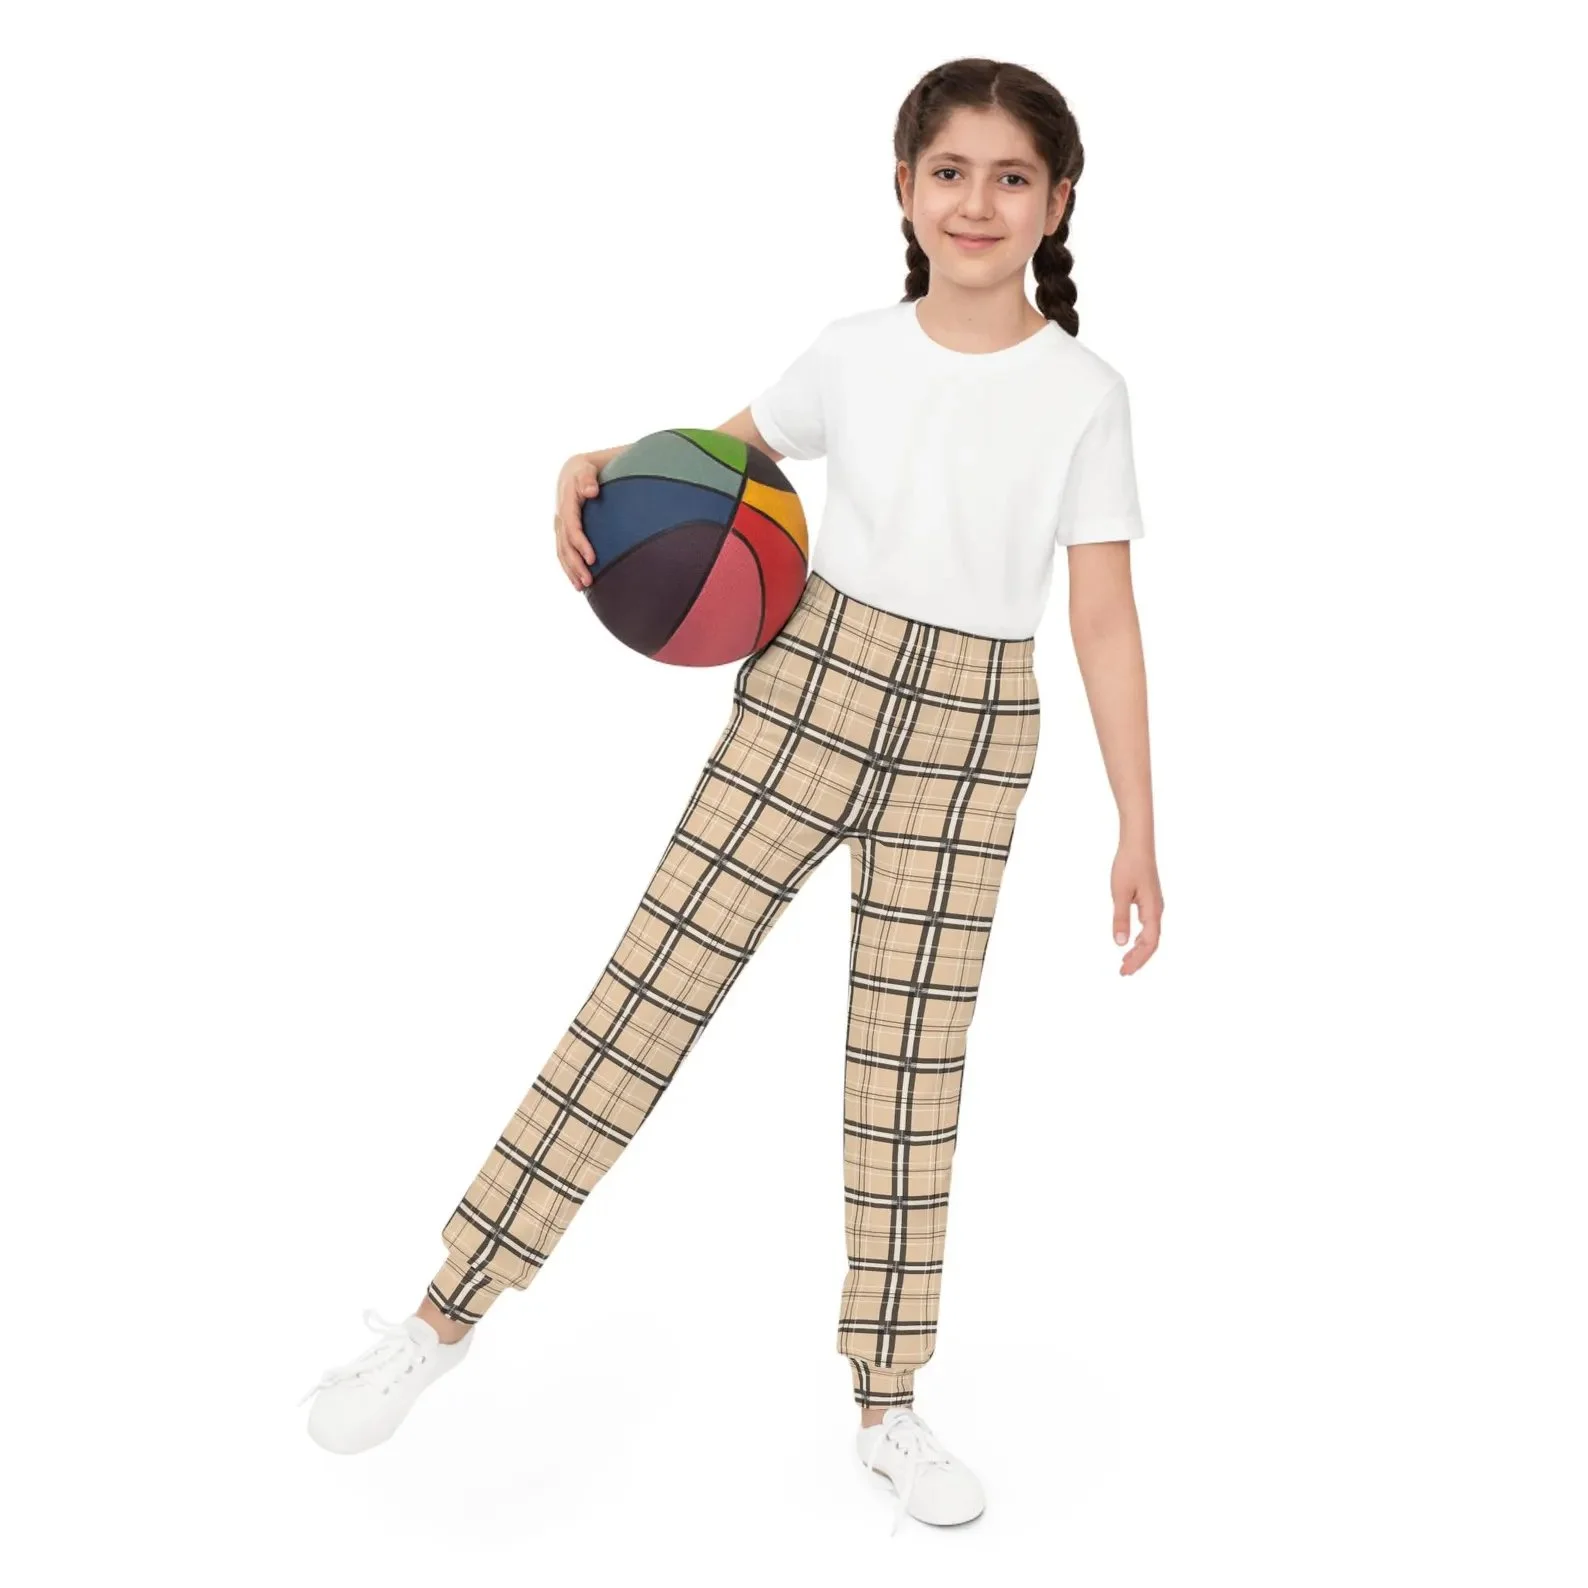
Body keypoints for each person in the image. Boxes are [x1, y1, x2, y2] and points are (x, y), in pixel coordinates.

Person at [298, 56, 1164, 1535]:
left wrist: (1138, 822)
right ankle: (444, 1315)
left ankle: (889, 1404)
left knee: (910, 1071)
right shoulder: (851, 353)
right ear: (905, 189)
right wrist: (593, 463)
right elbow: (712, 472)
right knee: (646, 997)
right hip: (810, 684)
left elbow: (1102, 614)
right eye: (949, 171)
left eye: (1011, 176)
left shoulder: (1087, 396)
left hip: (974, 734)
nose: (977, 201)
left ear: (1058, 201)